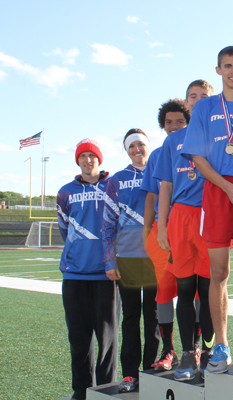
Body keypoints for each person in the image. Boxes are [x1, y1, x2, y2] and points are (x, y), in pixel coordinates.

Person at [181, 46, 233, 374]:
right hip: (217, 194)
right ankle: (221, 346)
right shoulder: (204, 108)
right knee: (218, 273)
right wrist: (227, 187)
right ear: (218, 70)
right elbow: (198, 158)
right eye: (228, 66)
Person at [154, 79, 215, 381]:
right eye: (193, 96)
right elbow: (165, 186)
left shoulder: (220, 134)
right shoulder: (173, 140)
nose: (198, 100)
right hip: (180, 218)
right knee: (185, 289)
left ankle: (210, 350)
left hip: (209, 216)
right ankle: (188, 353)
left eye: (204, 96)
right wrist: (162, 225)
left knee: (208, 289)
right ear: (188, 103)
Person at [57, 139, 119, 400]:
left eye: (91, 156)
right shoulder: (65, 192)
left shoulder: (113, 187)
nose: (87, 160)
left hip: (106, 275)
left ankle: (106, 391)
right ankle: (81, 392)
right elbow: (64, 228)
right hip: (75, 275)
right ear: (77, 160)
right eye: (82, 156)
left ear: (99, 159)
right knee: (79, 340)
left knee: (107, 341)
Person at [102, 129, 160, 392]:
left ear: (148, 147)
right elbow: (107, 225)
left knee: (154, 315)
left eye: (141, 145)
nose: (138, 150)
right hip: (126, 258)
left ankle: (150, 369)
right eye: (132, 146)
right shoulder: (116, 181)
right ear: (127, 150)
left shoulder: (161, 171)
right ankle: (129, 374)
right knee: (130, 317)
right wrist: (109, 260)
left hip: (156, 257)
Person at [140, 99, 190, 372]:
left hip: (190, 229)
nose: (173, 126)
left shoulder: (198, 147)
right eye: (168, 122)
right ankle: (168, 348)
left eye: (179, 121)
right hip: (164, 231)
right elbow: (151, 195)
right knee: (164, 292)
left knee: (192, 291)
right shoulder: (158, 154)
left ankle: (193, 349)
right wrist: (149, 229)